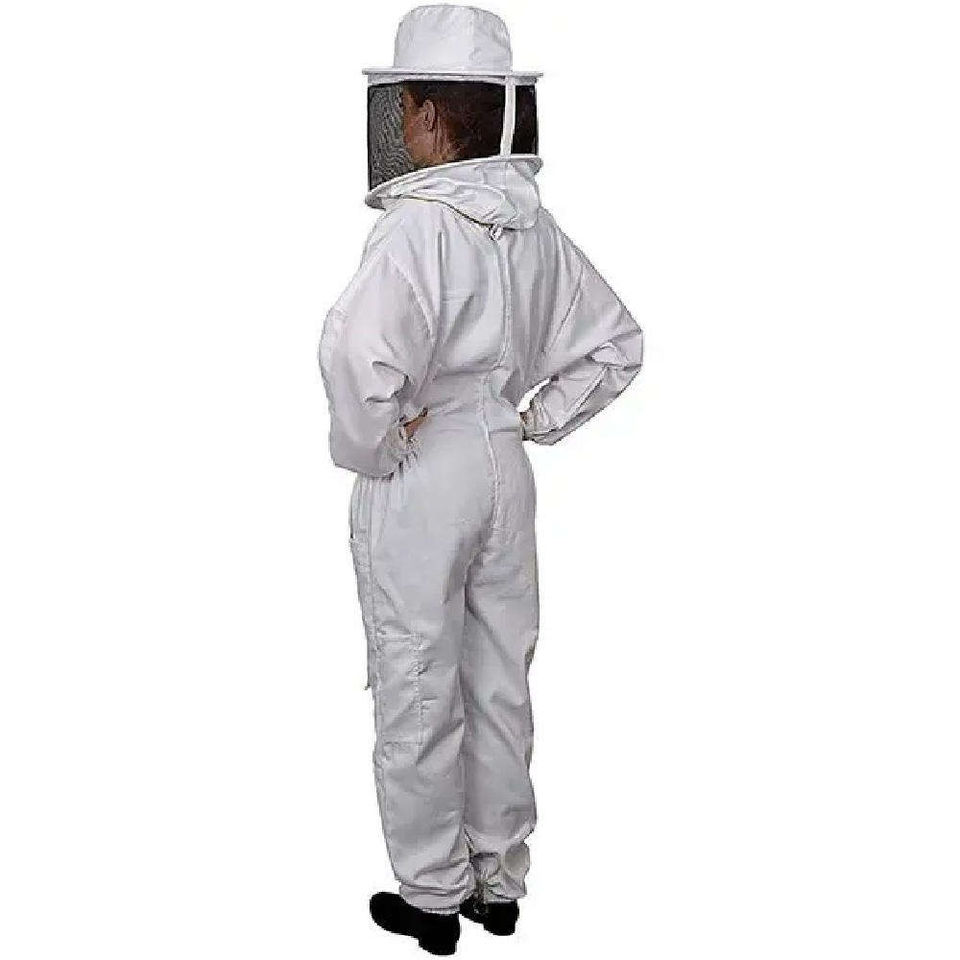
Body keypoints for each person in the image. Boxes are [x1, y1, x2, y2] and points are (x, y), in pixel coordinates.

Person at [319, 5, 644, 954]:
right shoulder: (534, 227)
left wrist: (379, 449)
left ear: (425, 116)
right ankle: (498, 881)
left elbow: (354, 357)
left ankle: (431, 895)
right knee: (499, 675)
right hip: (504, 460)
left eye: (407, 111)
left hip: (430, 471)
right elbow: (616, 345)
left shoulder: (416, 228)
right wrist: (532, 421)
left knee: (420, 677)